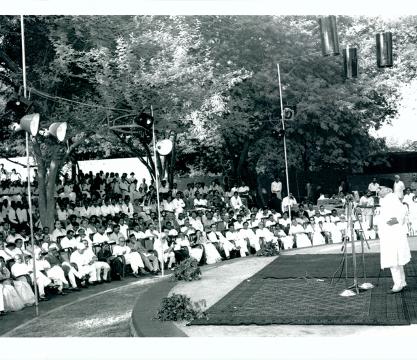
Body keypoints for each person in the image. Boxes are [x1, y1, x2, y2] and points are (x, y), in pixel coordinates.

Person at [375, 186, 411, 293]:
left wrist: (396, 220)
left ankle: (397, 285)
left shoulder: (392, 197)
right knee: (396, 260)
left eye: (381, 188)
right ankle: (402, 282)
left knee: (393, 260)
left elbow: (403, 211)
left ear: (388, 190)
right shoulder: (386, 199)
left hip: (393, 234)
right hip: (389, 234)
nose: (379, 190)